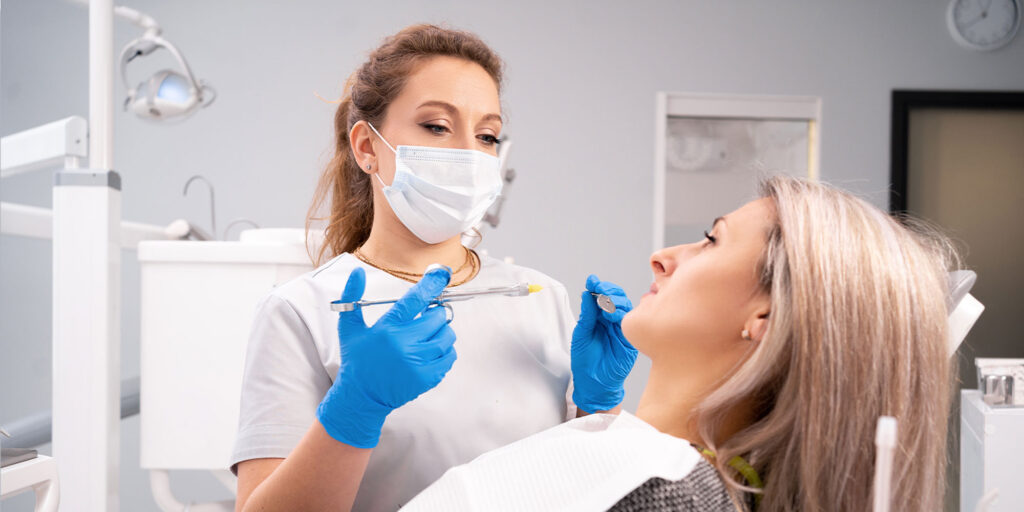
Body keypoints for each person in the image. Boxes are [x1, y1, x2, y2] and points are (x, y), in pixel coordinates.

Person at [231, 24, 637, 511]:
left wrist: (598, 407)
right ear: (367, 147)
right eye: (437, 126)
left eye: (487, 135)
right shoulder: (302, 311)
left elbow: (582, 488)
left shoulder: (540, 297)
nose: (469, 152)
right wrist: (356, 407)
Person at [399, 176, 957, 511]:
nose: (663, 256)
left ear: (768, 313)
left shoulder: (667, 494)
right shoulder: (651, 465)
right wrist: (595, 415)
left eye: (711, 242)